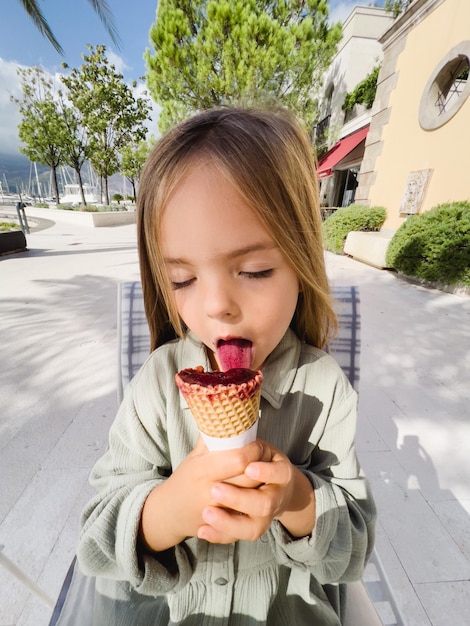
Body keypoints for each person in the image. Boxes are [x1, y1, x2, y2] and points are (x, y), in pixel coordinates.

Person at [77, 106, 376, 625]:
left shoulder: (325, 390)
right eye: (183, 280)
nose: (217, 305)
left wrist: (298, 499)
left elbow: (353, 552)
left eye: (255, 270)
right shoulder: (156, 386)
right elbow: (96, 546)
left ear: (301, 263)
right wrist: (168, 509)